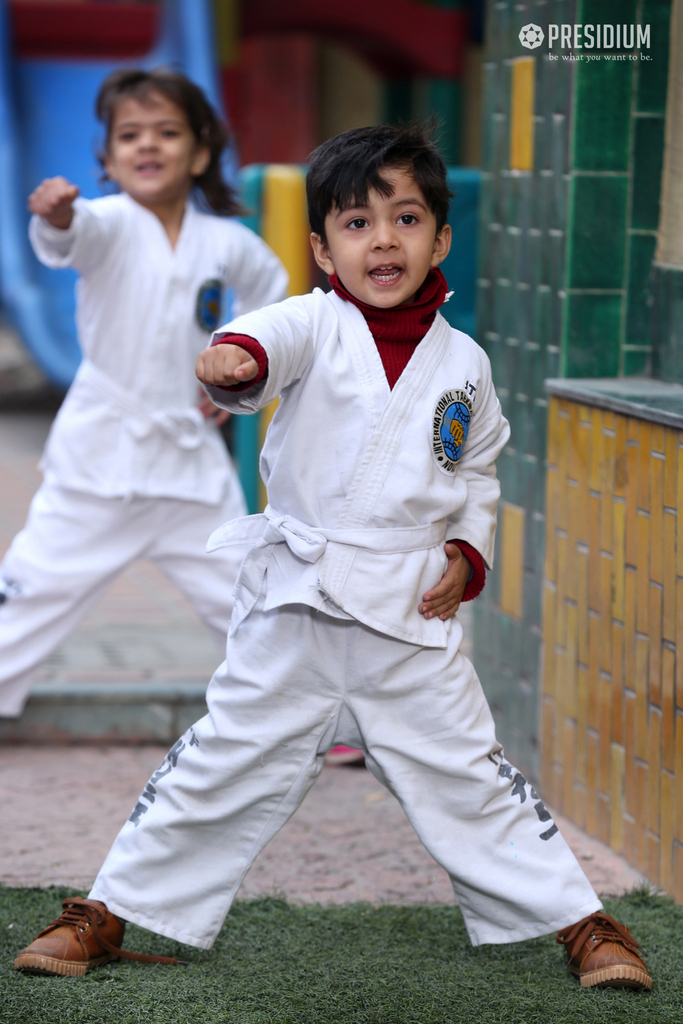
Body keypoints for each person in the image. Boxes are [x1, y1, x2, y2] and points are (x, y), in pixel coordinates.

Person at [15, 123, 652, 992]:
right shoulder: (309, 323)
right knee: (216, 763)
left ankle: (581, 924)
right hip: (299, 611)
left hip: (408, 617)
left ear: (440, 238)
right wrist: (234, 363)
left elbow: (476, 469)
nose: (382, 239)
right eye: (355, 223)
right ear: (320, 248)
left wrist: (467, 550)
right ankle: (110, 910)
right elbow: (257, 351)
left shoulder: (465, 363)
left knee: (473, 776)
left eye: (404, 218)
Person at [0, 68, 288, 718]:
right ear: (107, 158)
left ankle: (307, 717)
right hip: (96, 465)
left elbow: (270, 302)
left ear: (202, 151)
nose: (147, 145)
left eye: (166, 132)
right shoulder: (104, 224)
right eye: (130, 135)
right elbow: (69, 241)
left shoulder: (228, 244)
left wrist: (247, 370)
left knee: (248, 598)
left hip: (188, 464)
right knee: (31, 590)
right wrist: (59, 216)